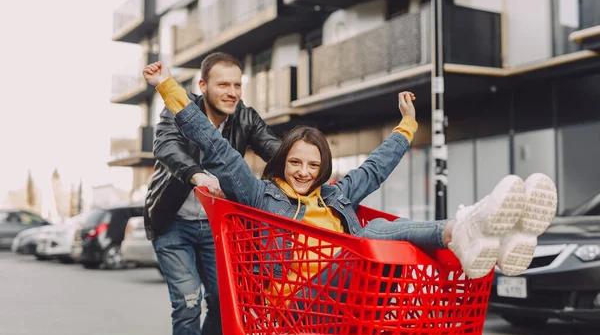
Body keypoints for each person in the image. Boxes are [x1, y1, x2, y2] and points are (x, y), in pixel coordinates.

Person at [146, 63, 558, 288]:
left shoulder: (334, 195)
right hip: (299, 299)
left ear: (322, 168)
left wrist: (408, 125)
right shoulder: (260, 195)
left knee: (371, 236)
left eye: (312, 165)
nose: (303, 172)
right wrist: (169, 87)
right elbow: (215, 148)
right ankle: (464, 228)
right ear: (282, 162)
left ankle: (492, 239)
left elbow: (375, 167)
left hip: (350, 291)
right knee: (370, 233)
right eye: (295, 162)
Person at [142, 54, 280, 335]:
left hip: (218, 226)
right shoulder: (179, 108)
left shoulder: (245, 117)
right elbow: (166, 146)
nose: (232, 92)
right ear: (203, 85)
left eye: (237, 85)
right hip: (172, 222)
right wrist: (196, 174)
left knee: (225, 303)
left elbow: (275, 149)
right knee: (188, 303)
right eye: (223, 85)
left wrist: (306, 167)